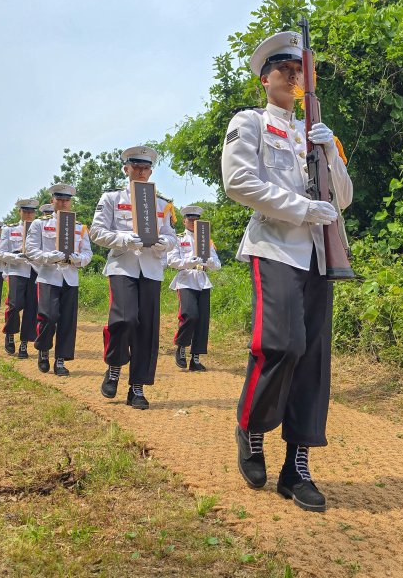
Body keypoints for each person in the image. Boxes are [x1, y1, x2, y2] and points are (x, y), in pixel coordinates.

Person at [221, 31, 353, 512]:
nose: (294, 74)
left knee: (314, 359)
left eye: (300, 69)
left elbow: (343, 198)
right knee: (280, 344)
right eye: (284, 67)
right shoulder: (250, 122)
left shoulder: (316, 130)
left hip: (320, 254)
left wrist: (331, 155)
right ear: (265, 78)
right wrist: (300, 208)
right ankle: (252, 427)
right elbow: (238, 182)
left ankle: (296, 466)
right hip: (275, 245)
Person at [90, 145, 177, 409]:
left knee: (147, 329)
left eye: (145, 168)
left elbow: (172, 237)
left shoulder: (163, 204)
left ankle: (137, 387)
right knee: (125, 319)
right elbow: (96, 232)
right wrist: (125, 238)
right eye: (135, 167)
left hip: (150, 269)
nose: (140, 172)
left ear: (151, 171)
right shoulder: (111, 199)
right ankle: (115, 365)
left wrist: (163, 242)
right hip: (122, 266)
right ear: (126, 168)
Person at [24, 184, 92, 376]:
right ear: (52, 200)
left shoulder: (80, 227)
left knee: (67, 321)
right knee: (48, 316)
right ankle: (44, 350)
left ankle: (60, 360)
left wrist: (79, 259)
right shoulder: (40, 224)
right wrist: (49, 257)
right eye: (59, 199)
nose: (63, 203)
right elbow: (30, 250)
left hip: (70, 277)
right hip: (48, 276)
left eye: (67, 200)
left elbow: (87, 253)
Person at [167, 205, 221, 371]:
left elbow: (217, 265)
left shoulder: (207, 241)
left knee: (203, 320)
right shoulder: (178, 239)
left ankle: (195, 358)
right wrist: (191, 260)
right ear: (184, 221)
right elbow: (171, 260)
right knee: (190, 315)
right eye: (190, 220)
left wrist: (209, 262)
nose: (193, 223)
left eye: (196, 220)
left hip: (202, 280)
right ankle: (181, 346)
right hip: (186, 279)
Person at [0, 198, 40, 358]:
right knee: (14, 305)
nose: (29, 214)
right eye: (25, 211)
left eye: (31, 211)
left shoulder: (41, 229)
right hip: (16, 270)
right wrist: (17, 257)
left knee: (32, 308)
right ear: (20, 212)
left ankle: (24, 344)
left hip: (35, 271)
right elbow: (0, 253)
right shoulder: (9, 229)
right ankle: (10, 333)